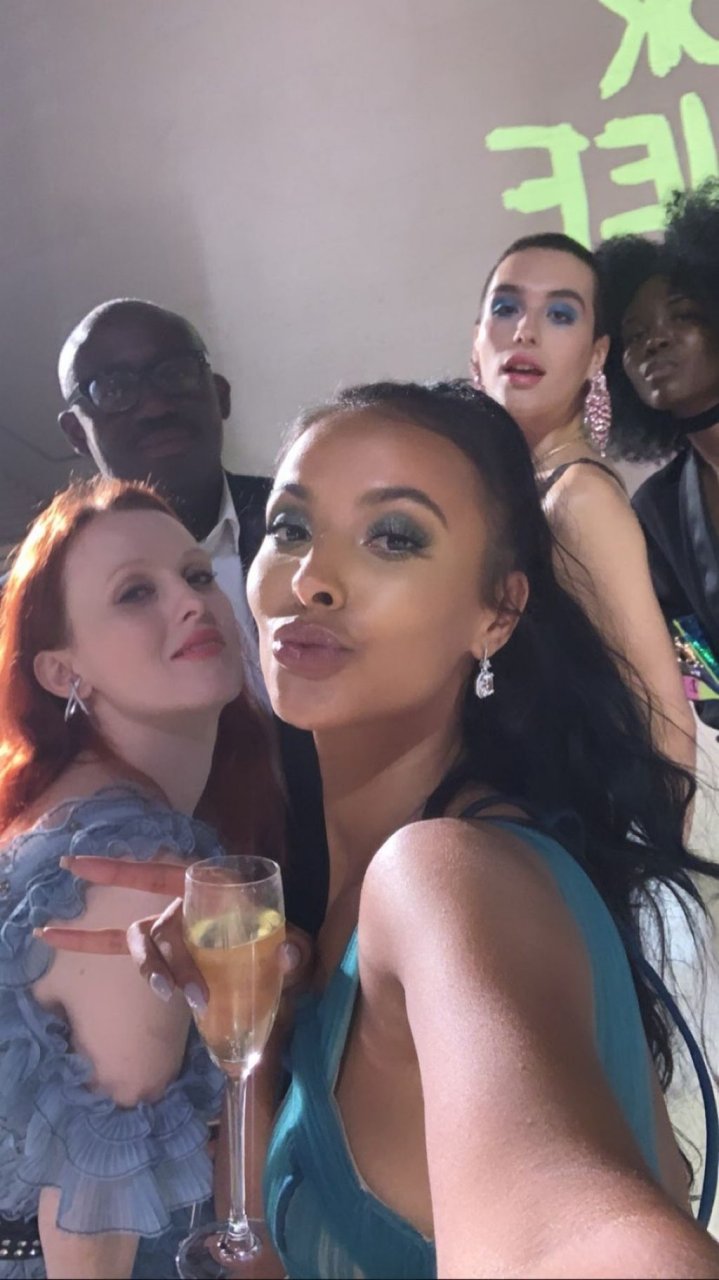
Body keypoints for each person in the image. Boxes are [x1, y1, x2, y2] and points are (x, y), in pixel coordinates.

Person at [48, 383, 719, 1278]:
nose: (309, 579)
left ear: (497, 613)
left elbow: (587, 1239)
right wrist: (257, 1036)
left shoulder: (443, 875)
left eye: (393, 537)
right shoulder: (349, 888)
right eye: (290, 528)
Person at [0, 476, 284, 1278]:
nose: (191, 603)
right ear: (62, 672)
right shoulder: (131, 866)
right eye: (135, 593)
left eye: (195, 576)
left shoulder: (68, 809)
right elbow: (88, 1250)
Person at [57, 299, 328, 935]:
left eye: (175, 373)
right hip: (153, 921)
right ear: (75, 431)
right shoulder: (47, 599)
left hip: (359, 889)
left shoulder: (316, 530)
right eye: (114, 388)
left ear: (219, 394)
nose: (154, 405)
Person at [470, 233, 695, 776]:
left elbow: (666, 730)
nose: (525, 331)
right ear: (477, 340)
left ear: (597, 355)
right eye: (506, 308)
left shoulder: (579, 498)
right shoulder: (514, 490)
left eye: (561, 315)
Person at [597, 180, 719, 733]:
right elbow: (697, 665)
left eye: (683, 315)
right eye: (634, 334)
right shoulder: (655, 509)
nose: (655, 341)